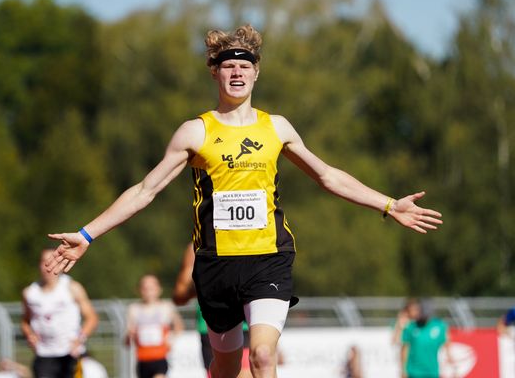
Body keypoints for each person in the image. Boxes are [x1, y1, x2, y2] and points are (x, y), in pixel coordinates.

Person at [46, 24, 443, 378]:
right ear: (215, 72)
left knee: (263, 358)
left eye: (245, 65)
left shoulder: (277, 127)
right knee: (224, 367)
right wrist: (87, 233)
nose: (237, 73)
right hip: (216, 265)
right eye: (228, 66)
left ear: (256, 72)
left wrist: (389, 205)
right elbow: (145, 191)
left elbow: (327, 175)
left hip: (268, 256)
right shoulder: (195, 132)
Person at [173, 242, 252, 377]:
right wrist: (207, 280)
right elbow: (179, 295)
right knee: (219, 374)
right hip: (211, 325)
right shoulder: (197, 245)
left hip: (245, 323)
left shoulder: (248, 236)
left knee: (245, 373)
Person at [22, 249, 99, 378]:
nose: (49, 266)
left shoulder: (72, 288)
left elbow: (92, 318)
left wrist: (80, 339)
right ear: (39, 265)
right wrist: (30, 335)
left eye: (54, 261)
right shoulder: (30, 293)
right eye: (45, 262)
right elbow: (25, 321)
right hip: (44, 354)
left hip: (70, 353)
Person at [125, 274, 184, 378]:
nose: (148, 292)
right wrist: (130, 336)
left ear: (159, 289)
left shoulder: (166, 307)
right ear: (140, 290)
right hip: (142, 360)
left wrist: (171, 338)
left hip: (159, 359)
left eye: (151, 288)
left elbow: (179, 326)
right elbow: (127, 340)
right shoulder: (133, 309)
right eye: (145, 288)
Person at [400, 299, 453, 378]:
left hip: (432, 372)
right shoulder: (410, 327)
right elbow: (404, 349)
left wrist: (450, 360)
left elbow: (446, 341)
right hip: (414, 373)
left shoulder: (438, 326)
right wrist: (403, 370)